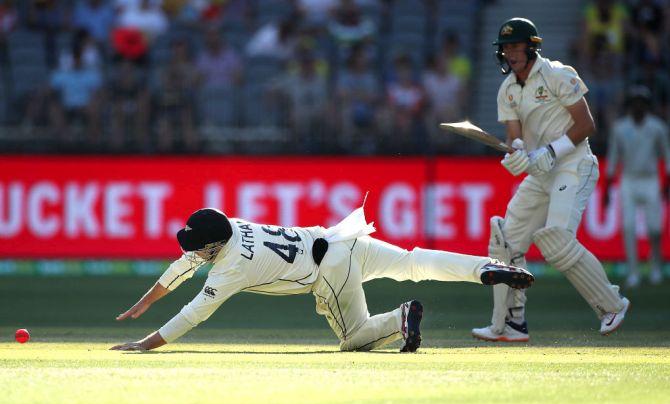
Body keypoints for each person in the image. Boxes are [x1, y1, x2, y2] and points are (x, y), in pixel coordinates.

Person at [111, 203, 534, 353]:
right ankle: (484, 267)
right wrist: (146, 301)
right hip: (342, 237)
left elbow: (194, 312)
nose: (193, 251)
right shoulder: (230, 227)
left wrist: (147, 342)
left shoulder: (231, 266)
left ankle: (399, 318)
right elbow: (186, 262)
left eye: (197, 245)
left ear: (213, 247)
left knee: (353, 339)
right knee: (413, 262)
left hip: (327, 269)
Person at [471, 18, 630, 343]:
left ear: (531, 47)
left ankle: (612, 304)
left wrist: (551, 150)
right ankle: (510, 324)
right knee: (505, 241)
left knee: (556, 238)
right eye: (506, 48)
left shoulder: (558, 74)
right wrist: (516, 154)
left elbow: (586, 124)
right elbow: (515, 137)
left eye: (516, 47)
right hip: (540, 173)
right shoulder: (508, 89)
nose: (510, 53)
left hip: (574, 165)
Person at [604, 86, 670, 288]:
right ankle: (633, 272)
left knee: (655, 228)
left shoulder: (657, 127)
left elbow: (666, 156)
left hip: (650, 180)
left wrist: (666, 183)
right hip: (629, 180)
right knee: (629, 227)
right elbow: (613, 157)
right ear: (630, 105)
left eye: (642, 102)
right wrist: (607, 188)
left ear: (647, 105)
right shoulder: (620, 128)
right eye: (635, 102)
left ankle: (656, 267)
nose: (638, 106)